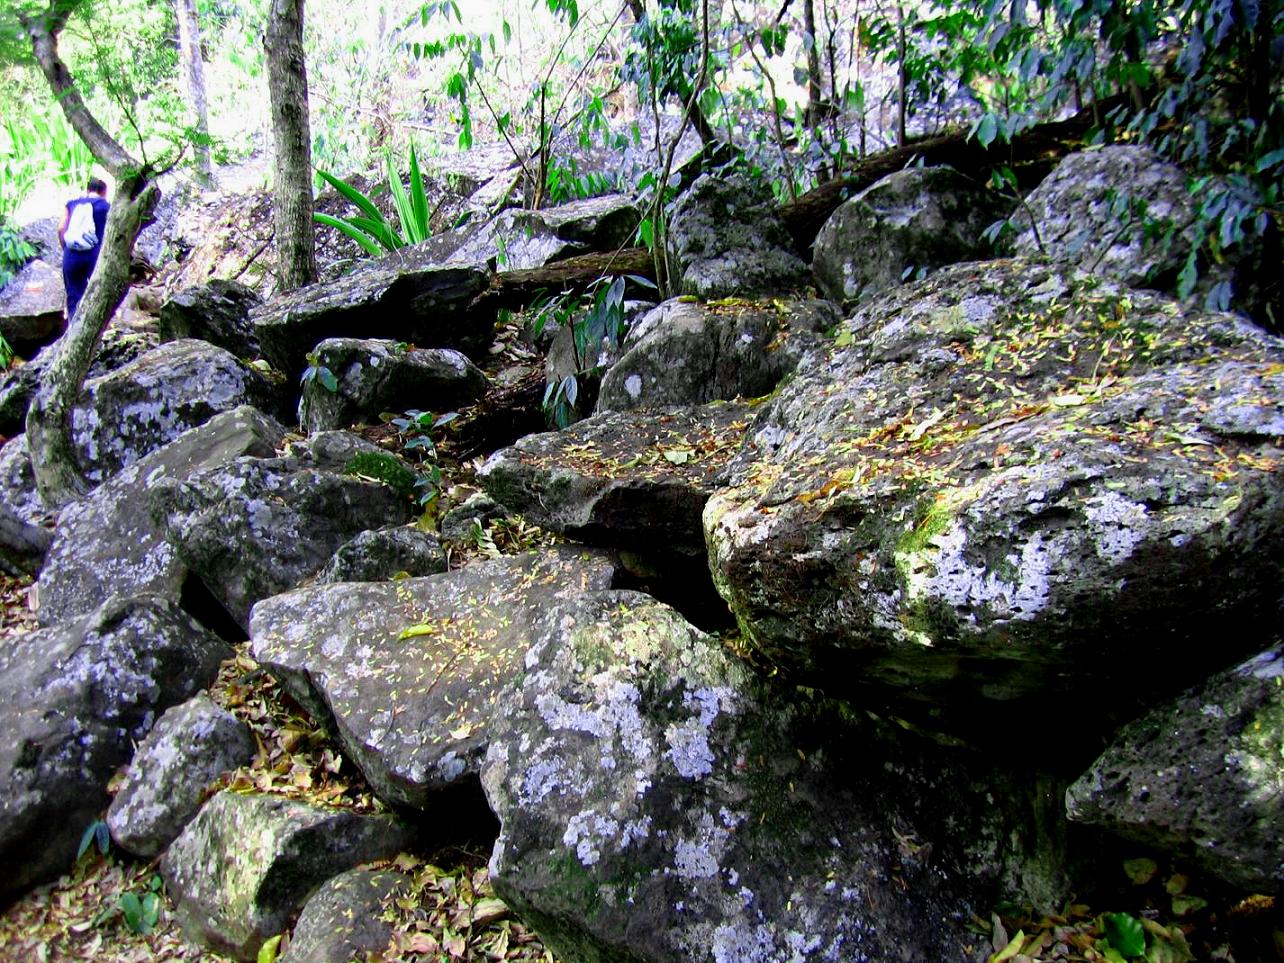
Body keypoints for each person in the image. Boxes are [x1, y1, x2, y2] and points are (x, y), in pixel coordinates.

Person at [58, 177, 110, 322]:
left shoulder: (71, 204)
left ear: (88, 190)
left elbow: (61, 228)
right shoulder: (106, 206)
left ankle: (73, 331)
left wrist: (66, 249)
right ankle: (97, 330)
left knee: (74, 296)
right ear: (104, 192)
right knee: (99, 294)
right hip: (95, 255)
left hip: (71, 255)